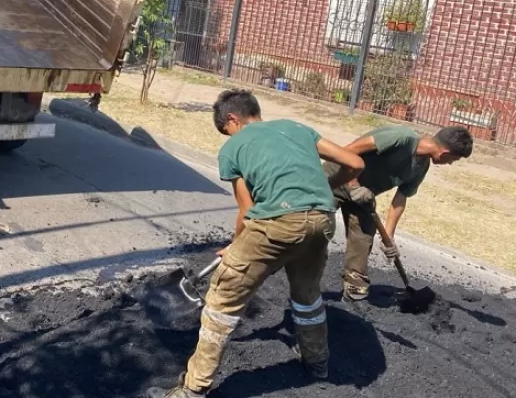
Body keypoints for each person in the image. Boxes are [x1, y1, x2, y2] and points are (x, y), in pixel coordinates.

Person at [147, 89, 365, 398]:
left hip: (277, 223)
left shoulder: (234, 148)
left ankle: (192, 390)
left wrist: (236, 246)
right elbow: (355, 162)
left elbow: (247, 211)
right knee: (307, 296)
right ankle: (317, 362)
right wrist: (320, 187)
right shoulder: (296, 128)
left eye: (227, 131)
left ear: (232, 119)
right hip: (322, 220)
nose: (229, 137)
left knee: (222, 301)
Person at [325, 125, 473, 302]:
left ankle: (354, 287)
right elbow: (350, 150)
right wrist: (353, 184)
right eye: (453, 160)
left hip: (363, 196)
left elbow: (400, 199)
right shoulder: (400, 138)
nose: (450, 163)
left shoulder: (421, 167)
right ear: (445, 153)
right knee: (318, 227)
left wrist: (389, 237)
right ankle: (301, 269)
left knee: (364, 236)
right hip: (335, 179)